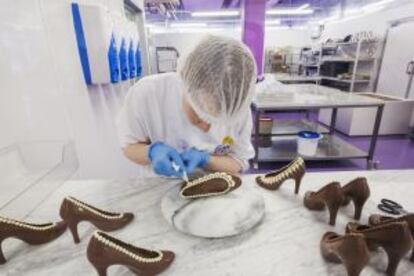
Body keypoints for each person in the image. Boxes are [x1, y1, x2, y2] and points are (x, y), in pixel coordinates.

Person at [116, 35, 257, 178]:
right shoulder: (148, 93)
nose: (206, 127)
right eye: (199, 115)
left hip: (218, 189)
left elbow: (239, 160)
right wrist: (151, 152)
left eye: (217, 121)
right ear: (184, 80)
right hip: (159, 187)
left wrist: (207, 160)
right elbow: (129, 146)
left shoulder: (237, 105)